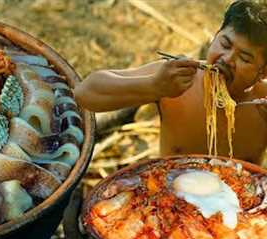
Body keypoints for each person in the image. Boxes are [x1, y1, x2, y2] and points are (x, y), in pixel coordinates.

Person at [74, 0, 267, 164]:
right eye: (225, 44)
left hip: (245, 202)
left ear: (263, 72)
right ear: (215, 36)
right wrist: (153, 87)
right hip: (168, 194)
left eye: (245, 58)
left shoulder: (263, 104)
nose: (227, 59)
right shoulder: (175, 78)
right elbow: (85, 93)